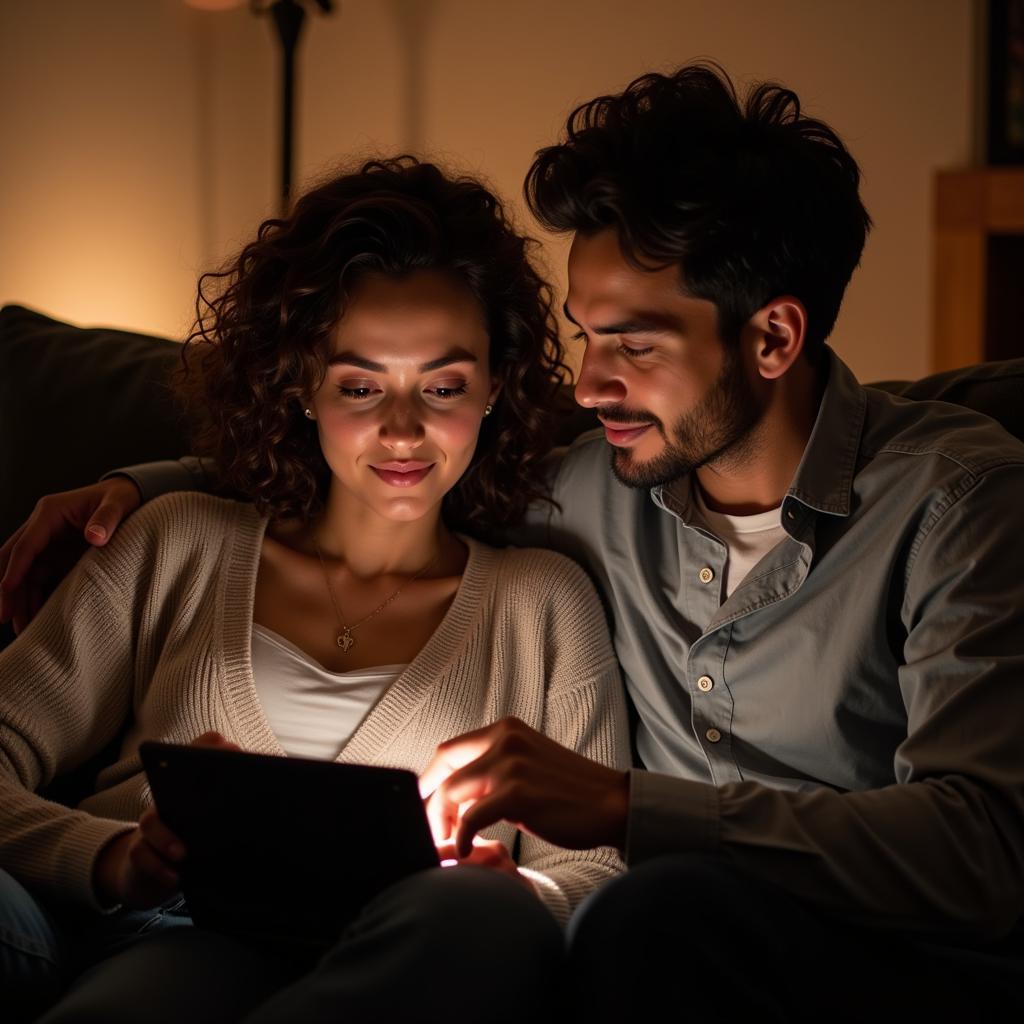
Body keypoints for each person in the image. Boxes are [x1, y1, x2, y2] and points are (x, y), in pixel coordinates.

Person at [5, 63, 1024, 1019]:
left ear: (772, 338)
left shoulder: (960, 499)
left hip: (891, 958)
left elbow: (984, 849)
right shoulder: (599, 479)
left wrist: (620, 808)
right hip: (637, 941)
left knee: (633, 914)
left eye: (631, 342)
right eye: (583, 335)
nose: (586, 387)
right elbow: (390, 470)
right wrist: (138, 487)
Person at [0, 156, 630, 1023]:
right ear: (302, 386)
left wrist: (515, 892)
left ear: (494, 386)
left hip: (410, 964)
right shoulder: (173, 542)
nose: (403, 430)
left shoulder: (544, 603)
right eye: (361, 386)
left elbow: (592, 871)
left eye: (443, 386)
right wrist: (113, 859)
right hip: (169, 940)